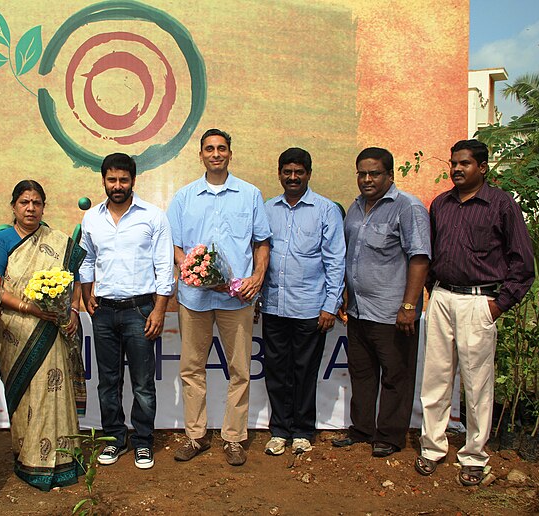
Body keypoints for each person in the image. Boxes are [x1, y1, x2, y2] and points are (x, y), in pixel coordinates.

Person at [416, 139, 534, 485]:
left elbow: (523, 264)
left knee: (477, 383)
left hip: (479, 302)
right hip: (441, 298)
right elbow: (433, 254)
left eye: (465, 163)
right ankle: (432, 447)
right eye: (453, 163)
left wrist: (498, 305)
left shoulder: (501, 205)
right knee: (435, 377)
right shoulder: (441, 204)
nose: (456, 169)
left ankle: (473, 455)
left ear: (483, 167)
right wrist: (432, 292)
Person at [167, 128, 271, 466]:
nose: (215, 154)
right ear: (201, 155)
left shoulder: (250, 195)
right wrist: (194, 271)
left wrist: (257, 278)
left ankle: (234, 438)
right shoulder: (184, 197)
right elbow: (176, 247)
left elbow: (261, 242)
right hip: (194, 299)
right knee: (191, 368)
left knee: (240, 369)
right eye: (209, 149)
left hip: (236, 299)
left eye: (221, 148)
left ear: (229, 153)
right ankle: (196, 436)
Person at [0, 180, 86, 491]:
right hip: (15, 331)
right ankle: (30, 459)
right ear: (14, 206)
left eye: (36, 203)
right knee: (28, 395)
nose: (30, 208)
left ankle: (63, 459)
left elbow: (74, 281)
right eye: (24, 202)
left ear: (43, 206)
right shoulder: (1, 241)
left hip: (51, 329)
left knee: (53, 391)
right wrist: (31, 307)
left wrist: (74, 312)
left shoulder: (57, 241)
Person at [333, 147, 431, 457]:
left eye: (374, 173)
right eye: (361, 173)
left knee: (395, 375)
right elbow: (350, 256)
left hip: (392, 312)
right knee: (362, 374)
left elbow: (419, 257)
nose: (366, 179)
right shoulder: (356, 207)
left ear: (390, 174)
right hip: (359, 311)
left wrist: (408, 306)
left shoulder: (408, 207)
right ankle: (362, 429)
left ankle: (389, 436)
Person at [79, 153, 174, 470]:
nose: (117, 185)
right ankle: (114, 440)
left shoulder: (153, 216)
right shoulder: (91, 218)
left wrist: (159, 311)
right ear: (103, 180)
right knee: (107, 381)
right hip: (104, 312)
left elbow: (164, 268)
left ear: (133, 180)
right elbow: (87, 260)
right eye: (111, 179)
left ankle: (143, 443)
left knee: (143, 383)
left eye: (123, 179)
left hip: (140, 310)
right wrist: (85, 294)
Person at [261, 148, 345, 456]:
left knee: (304, 370)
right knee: (276, 370)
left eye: (299, 172)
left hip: (311, 308)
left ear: (308, 174)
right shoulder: (267, 209)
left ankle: (302, 430)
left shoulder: (325, 210)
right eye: (287, 172)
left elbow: (336, 260)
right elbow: (259, 256)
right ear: (279, 173)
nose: (293, 177)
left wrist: (330, 304)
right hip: (274, 305)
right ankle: (279, 430)